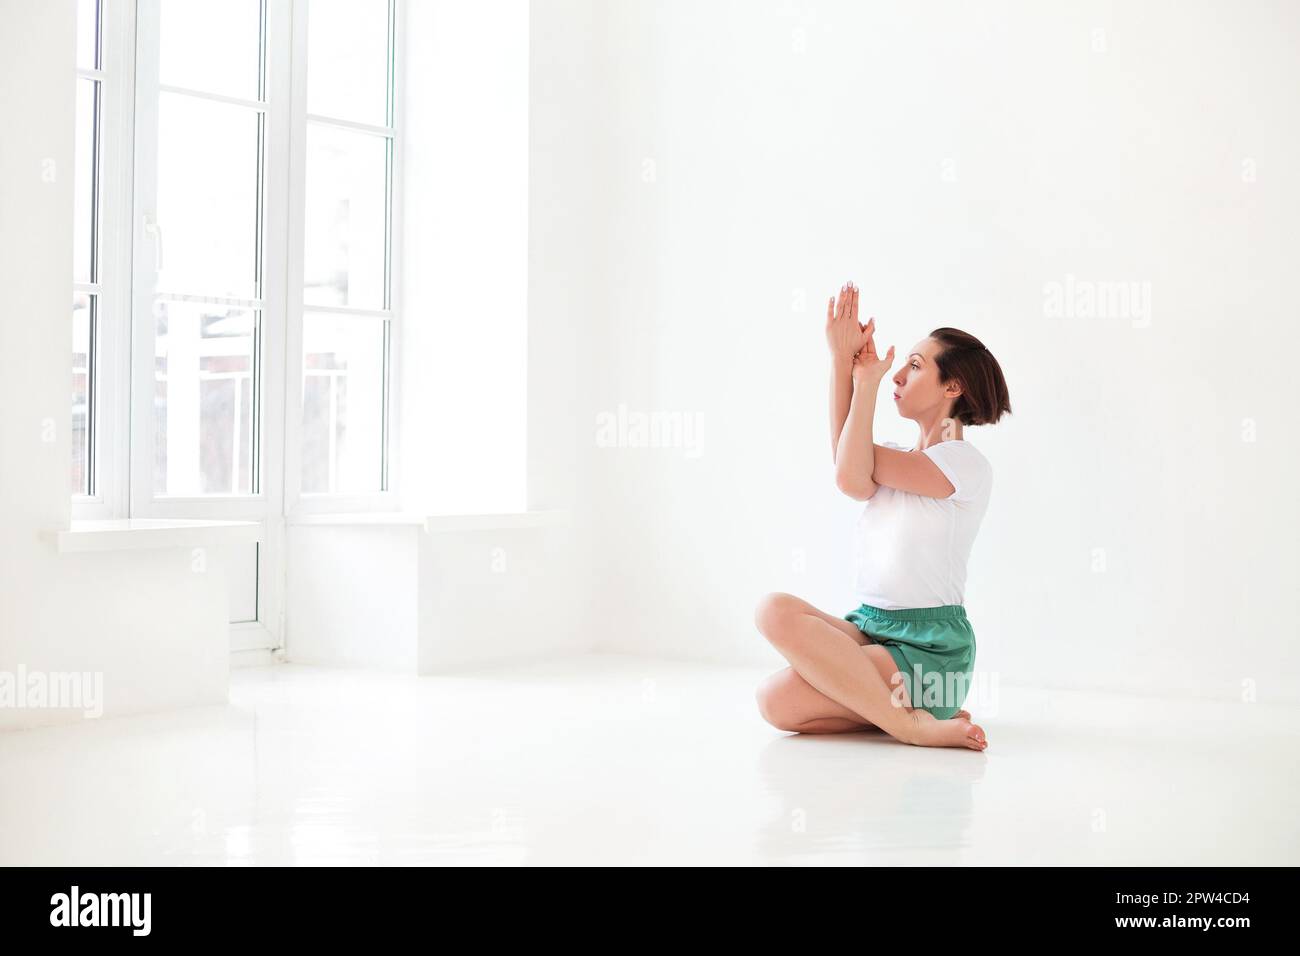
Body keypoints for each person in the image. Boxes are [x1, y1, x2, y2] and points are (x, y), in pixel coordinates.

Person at [754, 281, 1012, 750]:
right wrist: (841, 362)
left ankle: (912, 725)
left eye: (914, 367)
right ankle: (909, 713)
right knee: (773, 654)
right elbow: (848, 471)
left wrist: (866, 384)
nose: (898, 376)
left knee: (785, 696)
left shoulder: (963, 464)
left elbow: (851, 467)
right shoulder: (890, 459)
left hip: (929, 650)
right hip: (872, 630)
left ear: (953, 387)